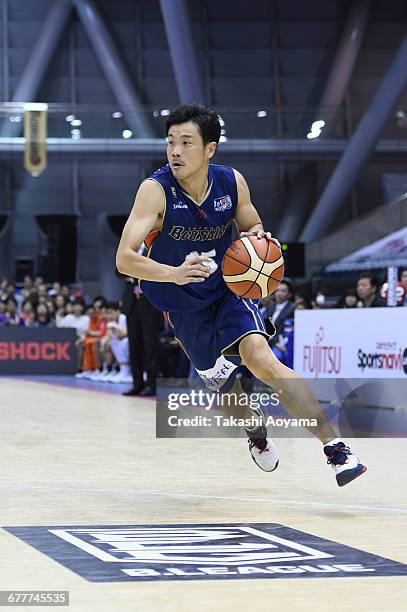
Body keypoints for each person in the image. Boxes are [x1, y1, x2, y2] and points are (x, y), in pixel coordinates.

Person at [116, 104, 366, 487]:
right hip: (182, 306)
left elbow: (252, 224)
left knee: (261, 359)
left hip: (227, 292)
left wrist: (256, 237)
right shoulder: (155, 191)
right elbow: (124, 259)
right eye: (170, 143)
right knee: (229, 394)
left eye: (186, 142)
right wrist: (174, 273)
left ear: (209, 149)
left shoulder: (232, 182)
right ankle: (255, 432)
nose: (176, 151)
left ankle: (336, 450)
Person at [260, 279, 296, 346]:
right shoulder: (270, 306)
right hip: (266, 340)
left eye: (283, 291)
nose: (279, 293)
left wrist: (275, 341)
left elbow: (287, 330)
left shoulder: (293, 308)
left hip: (280, 343)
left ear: (289, 294)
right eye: (277, 290)